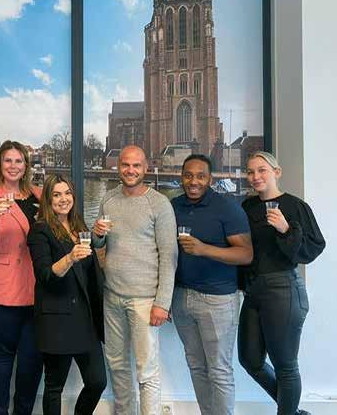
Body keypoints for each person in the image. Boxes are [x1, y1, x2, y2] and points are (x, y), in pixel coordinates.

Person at [92, 145, 178, 415]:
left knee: (147, 370)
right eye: (125, 165)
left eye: (136, 165)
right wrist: (97, 234)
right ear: (118, 167)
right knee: (117, 365)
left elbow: (169, 256)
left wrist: (162, 303)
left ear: (146, 168)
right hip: (112, 296)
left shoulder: (159, 204)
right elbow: (99, 243)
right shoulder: (109, 199)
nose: (130, 170)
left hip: (145, 300)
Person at [238, 151, 325, 415]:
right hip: (253, 290)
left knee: (285, 365)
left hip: (283, 289)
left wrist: (287, 230)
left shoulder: (295, 206)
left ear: (277, 172)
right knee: (250, 360)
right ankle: (293, 411)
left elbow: (315, 247)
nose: (255, 176)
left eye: (261, 170)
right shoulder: (246, 207)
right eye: (250, 171)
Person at [170, 154, 253, 415]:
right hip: (181, 297)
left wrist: (203, 249)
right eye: (188, 175)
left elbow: (246, 254)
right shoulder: (173, 206)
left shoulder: (226, 208)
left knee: (219, 370)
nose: (193, 181)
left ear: (210, 179)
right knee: (196, 366)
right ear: (182, 177)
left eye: (200, 176)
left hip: (218, 300)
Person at [27, 175, 106, 415]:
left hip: (85, 317)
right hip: (57, 319)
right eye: (57, 194)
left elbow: (91, 271)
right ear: (48, 200)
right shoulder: (40, 230)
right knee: (54, 387)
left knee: (97, 382)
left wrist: (99, 239)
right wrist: (70, 258)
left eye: (67, 193)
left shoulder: (79, 227)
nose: (64, 199)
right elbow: (45, 275)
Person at [0, 140, 43, 415]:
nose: (13, 166)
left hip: (38, 289)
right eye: (8, 160)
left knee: (32, 359)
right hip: (0, 290)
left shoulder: (41, 196)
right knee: (0, 356)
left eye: (18, 160)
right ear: (0, 165)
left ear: (26, 165)